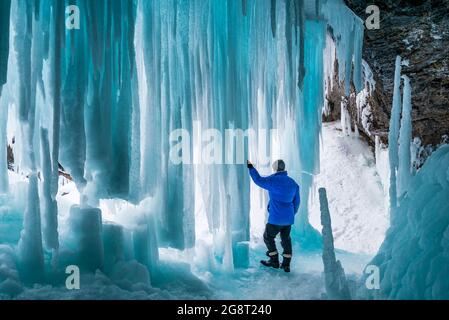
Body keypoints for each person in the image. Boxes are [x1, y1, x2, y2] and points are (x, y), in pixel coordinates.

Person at [247, 159, 300, 272]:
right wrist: (291, 214)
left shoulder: (273, 180)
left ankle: (274, 260)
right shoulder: (293, 183)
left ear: (275, 168)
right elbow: (297, 202)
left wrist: (251, 168)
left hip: (276, 218)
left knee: (268, 237)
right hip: (288, 219)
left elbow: (258, 180)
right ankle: (286, 264)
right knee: (286, 239)